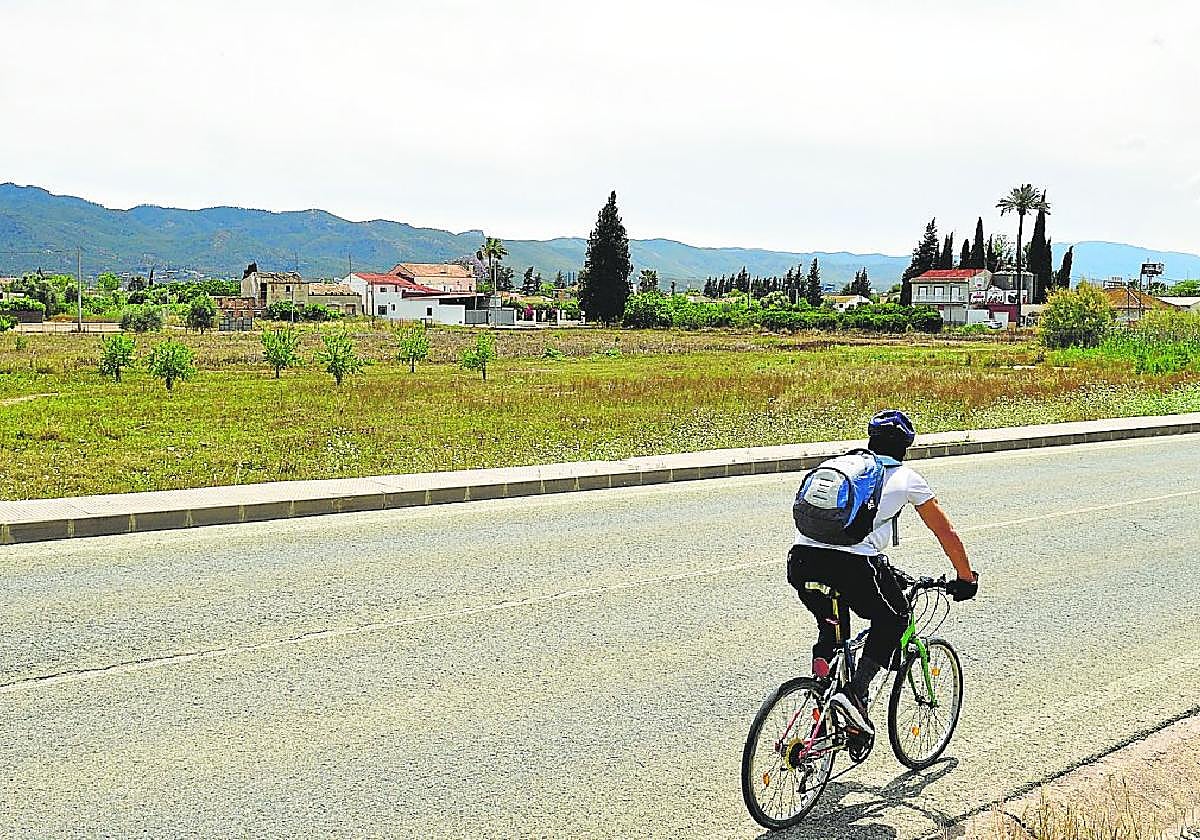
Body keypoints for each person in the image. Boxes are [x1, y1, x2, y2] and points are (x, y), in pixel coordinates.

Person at [787, 409, 978, 736]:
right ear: (905, 447)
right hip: (853, 568)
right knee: (895, 618)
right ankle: (855, 695)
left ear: (870, 439)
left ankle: (824, 696)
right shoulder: (907, 478)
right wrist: (965, 578)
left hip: (802, 561)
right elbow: (945, 532)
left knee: (832, 631)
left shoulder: (841, 464)